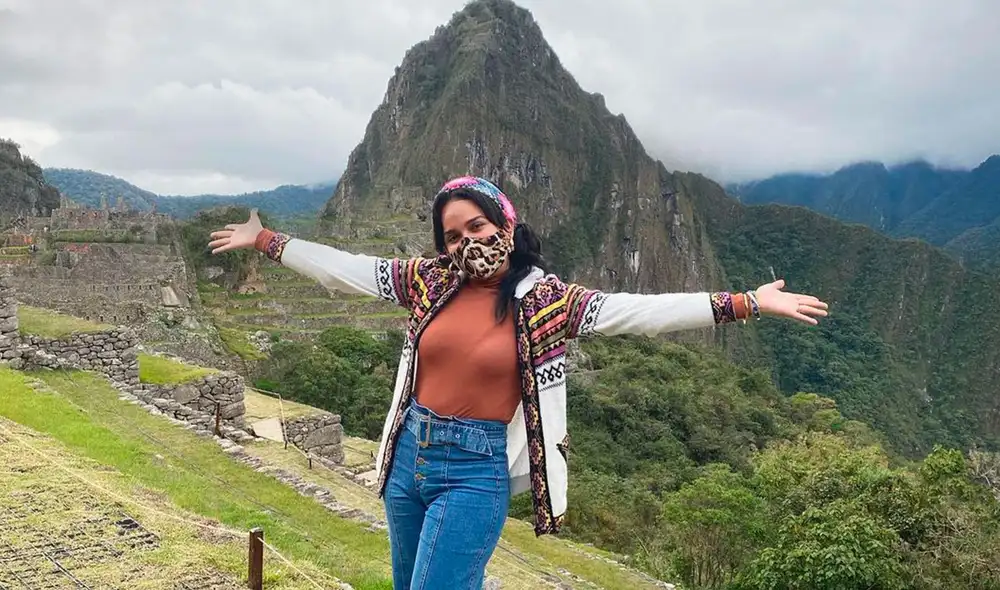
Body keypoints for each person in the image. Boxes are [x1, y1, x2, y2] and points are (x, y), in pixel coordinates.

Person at [208, 176, 828, 590]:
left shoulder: (548, 302)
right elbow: (347, 271)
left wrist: (746, 302)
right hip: (406, 460)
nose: (466, 242)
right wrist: (264, 240)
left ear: (504, 223)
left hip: (473, 470)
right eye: (452, 234)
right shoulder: (428, 282)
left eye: (476, 226)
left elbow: (640, 311)